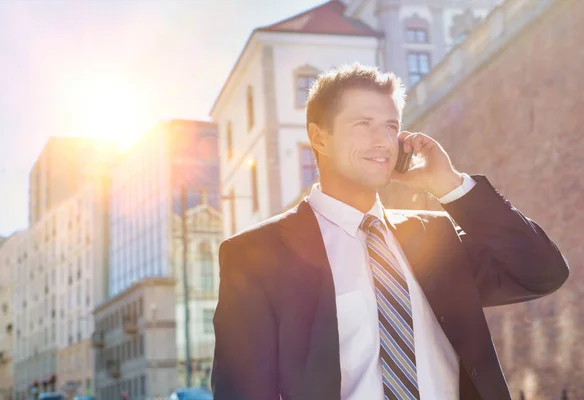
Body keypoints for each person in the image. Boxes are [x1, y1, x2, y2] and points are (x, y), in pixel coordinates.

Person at [210, 64, 569, 400]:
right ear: (318, 137)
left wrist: (448, 185)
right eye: (363, 124)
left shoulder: (434, 239)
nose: (382, 140)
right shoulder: (256, 255)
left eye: (391, 126)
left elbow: (542, 273)